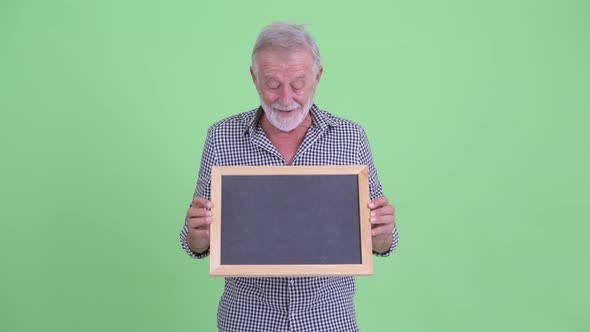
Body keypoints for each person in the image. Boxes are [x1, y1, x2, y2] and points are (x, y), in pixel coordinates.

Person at [180, 22, 399, 332]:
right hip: (248, 321)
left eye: (298, 84)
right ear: (254, 77)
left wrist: (382, 232)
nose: (285, 99)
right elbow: (195, 243)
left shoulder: (350, 138)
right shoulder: (222, 137)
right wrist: (198, 236)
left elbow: (382, 242)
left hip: (329, 320)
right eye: (272, 84)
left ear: (318, 76)